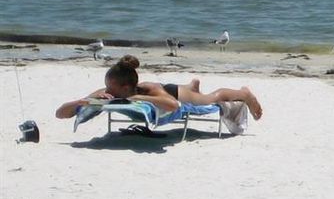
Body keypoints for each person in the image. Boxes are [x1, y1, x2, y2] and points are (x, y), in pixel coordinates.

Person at [56, 55, 263, 120]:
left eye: (111, 87)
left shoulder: (146, 90)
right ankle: (192, 85)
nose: (107, 90)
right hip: (165, 90)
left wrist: (139, 99)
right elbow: (60, 114)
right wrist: (81, 102)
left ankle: (244, 94)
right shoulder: (107, 92)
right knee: (193, 90)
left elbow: (172, 105)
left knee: (211, 98)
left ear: (126, 87)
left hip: (173, 92)